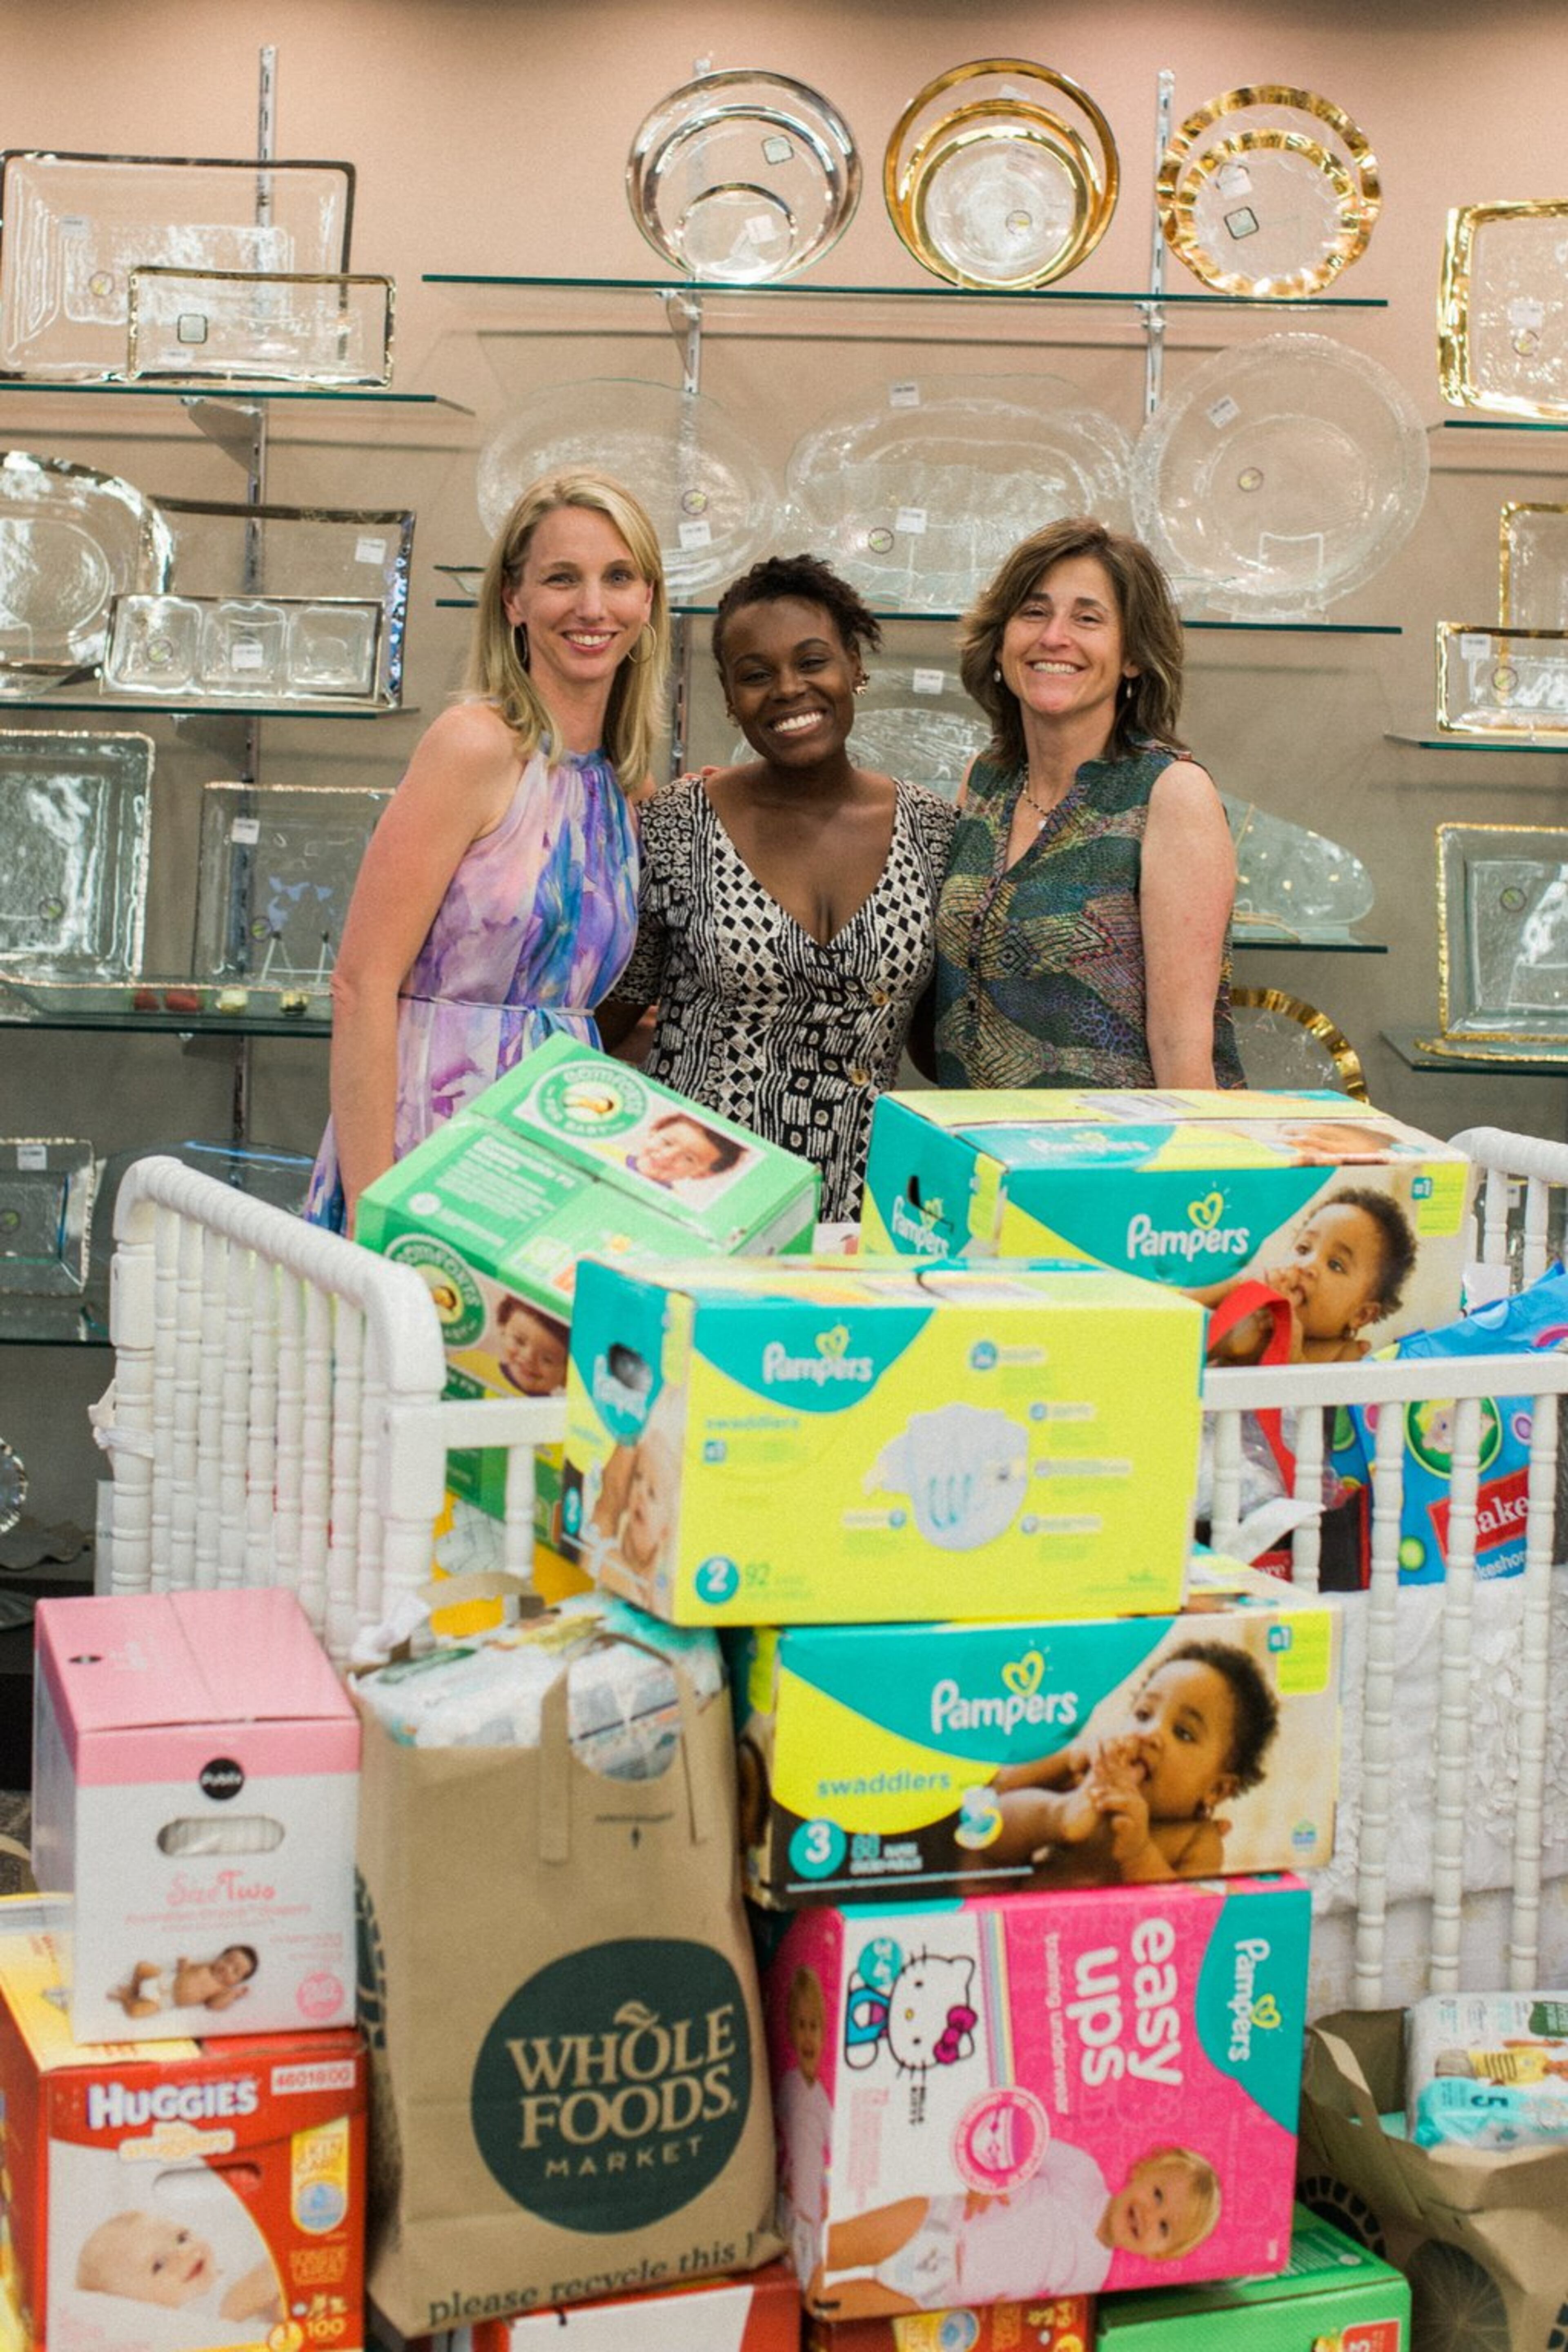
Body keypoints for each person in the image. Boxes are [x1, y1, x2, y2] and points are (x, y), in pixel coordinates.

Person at [305, 469, 669, 1231]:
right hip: (426, 1145)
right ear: (515, 600)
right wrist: (377, 1217)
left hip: (553, 1164)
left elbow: (576, 1008)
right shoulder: (474, 746)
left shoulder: (619, 789)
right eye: (561, 579)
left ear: (647, 603)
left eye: (619, 578)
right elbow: (361, 986)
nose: (592, 607)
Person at [600, 554, 958, 1222]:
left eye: (813, 661)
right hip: (693, 1197)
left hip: (862, 1208)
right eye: (756, 676)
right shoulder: (679, 823)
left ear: (855, 664)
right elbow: (613, 1012)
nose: (789, 689)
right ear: (731, 701)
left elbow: (940, 1045)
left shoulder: (934, 832)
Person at [933, 516, 1245, 1091]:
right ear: (1001, 641)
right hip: (982, 1158)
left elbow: (1182, 1047)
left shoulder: (1170, 793)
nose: (1054, 637)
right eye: (1033, 612)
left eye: (1088, 618)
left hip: (1114, 1165)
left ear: (1132, 656)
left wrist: (1187, 1179)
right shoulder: (986, 781)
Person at [982, 1639, 1280, 1883]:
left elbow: (1185, 1916)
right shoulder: (1094, 1785)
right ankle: (1058, 1815)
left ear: (1217, 1790)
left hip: (1108, 1945)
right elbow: (1000, 1783)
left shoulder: (1195, 1841)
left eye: (1183, 1733)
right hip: (1023, 1909)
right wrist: (1073, 1755)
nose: (1150, 1734)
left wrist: (1139, 1853)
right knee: (993, 1818)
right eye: (1143, 1715)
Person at [807, 2142, 1221, 2316]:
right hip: (940, 2225)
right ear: (1142, 2170)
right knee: (828, 2247)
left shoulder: (1095, 2276)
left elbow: (1038, 2309)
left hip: (944, 2296)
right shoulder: (1083, 2174)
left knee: (824, 2304)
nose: (1150, 2215)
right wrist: (990, 2177)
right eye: (1158, 2195)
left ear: (1159, 2254)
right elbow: (1016, 2141)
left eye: (1165, 2227)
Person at [1201, 1185, 1417, 1366]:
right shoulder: (1249, 1304)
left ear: (1362, 1315)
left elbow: (1312, 1410)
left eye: (1335, 1265)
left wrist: (1292, 1353)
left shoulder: (1343, 1355)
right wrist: (1237, 1284)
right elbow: (1175, 1308)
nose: (1307, 1265)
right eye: (1303, 1249)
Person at [76, 2209, 280, 2323]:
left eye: (182, 2238)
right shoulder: (191, 2315)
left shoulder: (227, 2266)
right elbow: (255, 2288)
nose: (184, 2252)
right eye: (159, 2265)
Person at [777, 1965, 833, 2286]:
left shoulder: (823, 2098)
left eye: (815, 2027)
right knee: (795, 2259)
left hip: (815, 2205)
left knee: (811, 2262)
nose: (809, 2036)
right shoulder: (788, 2084)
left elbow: (833, 2148)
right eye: (801, 2026)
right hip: (793, 2200)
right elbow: (780, 2139)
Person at [107, 1944, 257, 2018]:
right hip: (166, 1979)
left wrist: (234, 1994)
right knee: (142, 1967)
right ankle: (134, 1989)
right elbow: (189, 1968)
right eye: (228, 1960)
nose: (227, 1969)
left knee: (135, 2012)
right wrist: (184, 1965)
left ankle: (127, 1999)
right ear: (220, 1957)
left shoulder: (223, 1990)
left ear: (238, 1981)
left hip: (165, 2000)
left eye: (235, 1971)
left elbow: (213, 2006)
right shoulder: (208, 1965)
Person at [626, 1109, 746, 1191]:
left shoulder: (672, 1203)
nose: (668, 1156)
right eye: (667, 1143)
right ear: (654, 1132)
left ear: (702, 1175)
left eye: (689, 1159)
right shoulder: (609, 1156)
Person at [494, 1296, 569, 1396]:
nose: (529, 1357)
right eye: (520, 1342)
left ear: (566, 1375)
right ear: (504, 1330)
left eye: (547, 1359)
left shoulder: (553, 1409)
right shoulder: (477, 1363)